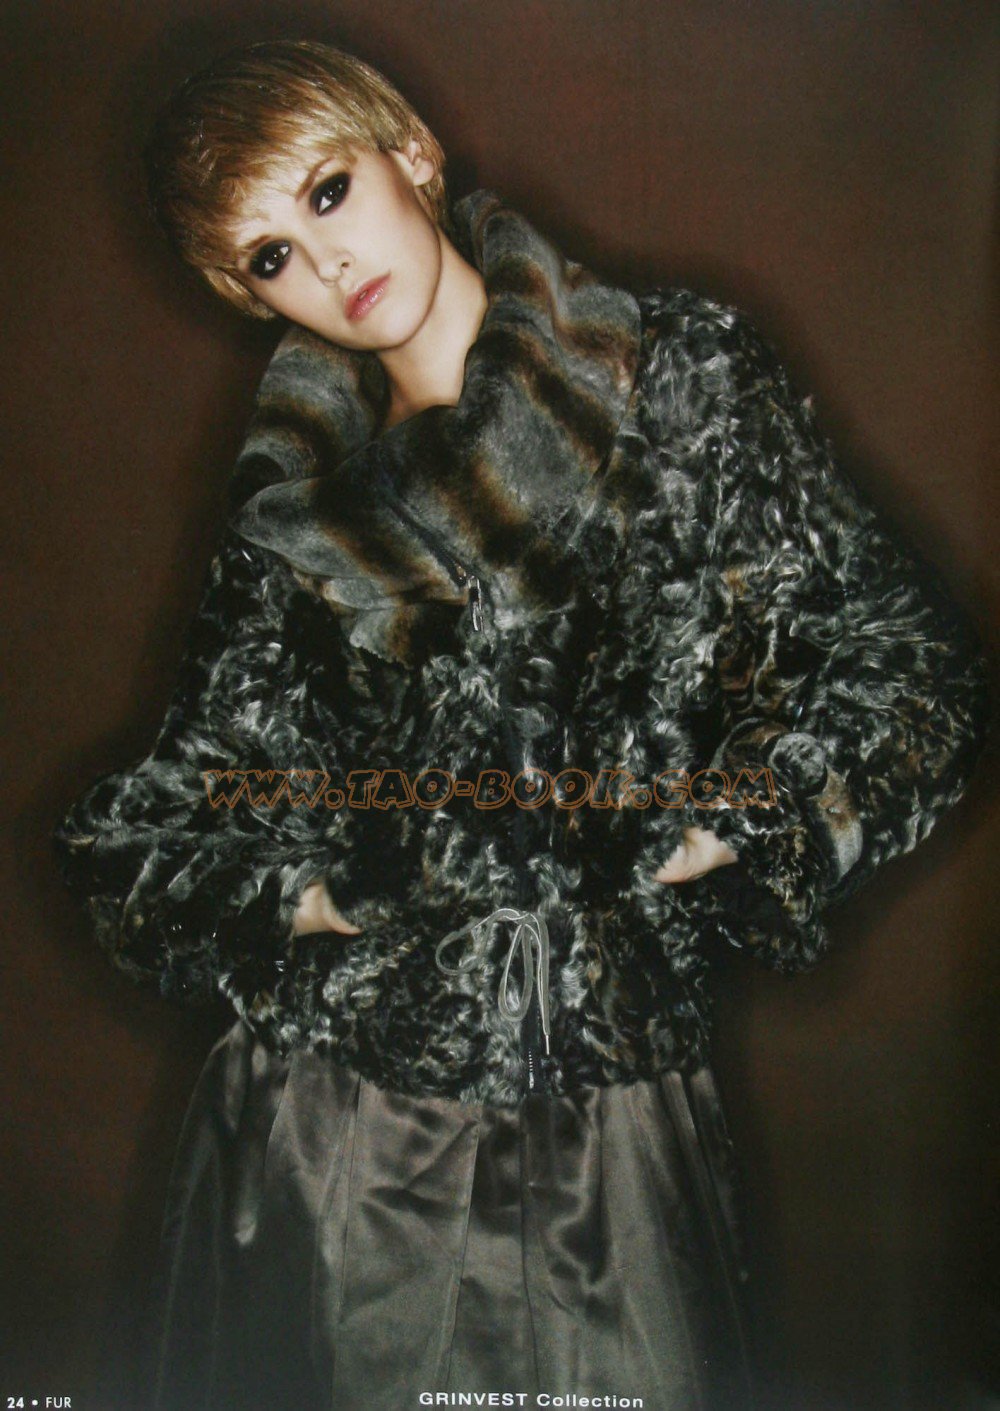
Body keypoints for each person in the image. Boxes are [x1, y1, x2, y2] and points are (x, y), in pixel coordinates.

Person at [51, 37, 992, 1411]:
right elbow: (158, 826)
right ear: (246, 295)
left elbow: (911, 668)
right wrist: (322, 894)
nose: (326, 262)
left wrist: (731, 827)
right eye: (270, 255)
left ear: (412, 153)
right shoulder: (294, 512)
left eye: (327, 191)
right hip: (335, 1139)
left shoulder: (675, 380)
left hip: (610, 1118)